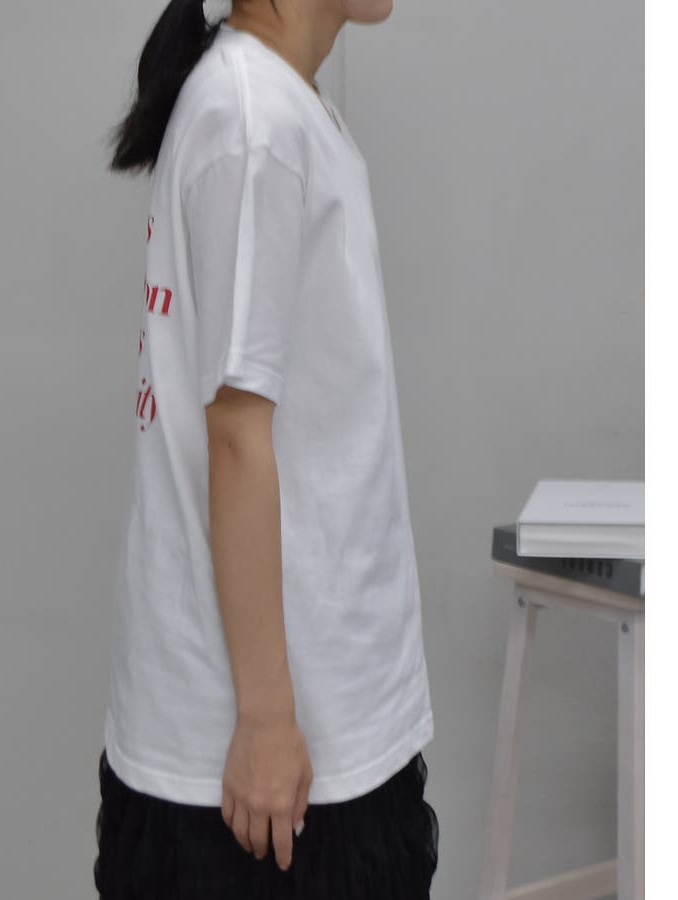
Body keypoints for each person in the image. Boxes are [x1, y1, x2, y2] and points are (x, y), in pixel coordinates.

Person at [93, 1, 439, 897]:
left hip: (317, 723)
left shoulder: (278, 107)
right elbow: (237, 434)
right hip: (268, 769)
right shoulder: (255, 121)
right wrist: (265, 722)